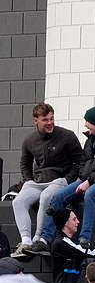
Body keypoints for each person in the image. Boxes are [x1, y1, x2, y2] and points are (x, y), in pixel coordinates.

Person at [30, 106, 95, 253]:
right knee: (58, 197)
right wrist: (83, 178)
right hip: (90, 180)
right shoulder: (91, 140)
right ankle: (46, 239)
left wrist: (89, 181)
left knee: (91, 193)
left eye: (88, 122)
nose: (85, 125)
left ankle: (85, 239)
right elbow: (83, 161)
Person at [11, 102, 82, 258]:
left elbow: (79, 161)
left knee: (46, 197)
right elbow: (24, 163)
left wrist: (68, 179)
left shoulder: (67, 136)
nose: (50, 123)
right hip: (36, 182)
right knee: (17, 202)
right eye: (45, 120)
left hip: (59, 180)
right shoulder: (29, 140)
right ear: (35, 120)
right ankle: (26, 241)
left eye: (52, 119)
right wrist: (28, 180)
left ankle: (38, 240)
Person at [47, 207, 95, 283]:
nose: (78, 222)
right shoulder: (61, 243)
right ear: (65, 223)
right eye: (74, 219)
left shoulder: (72, 242)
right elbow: (92, 252)